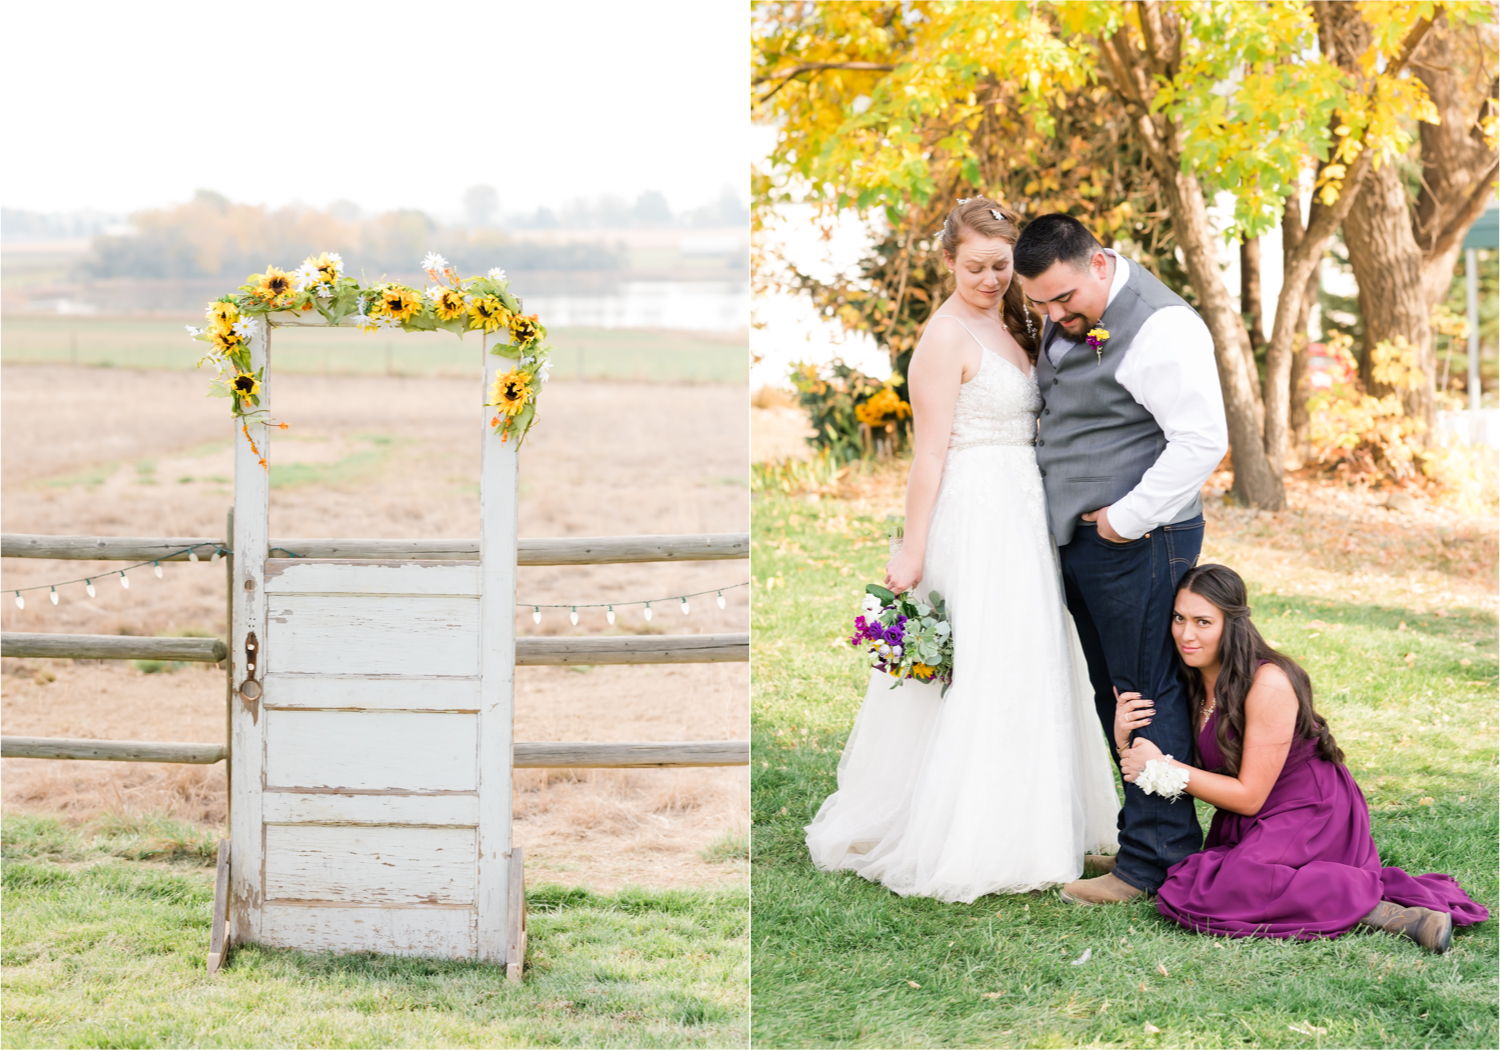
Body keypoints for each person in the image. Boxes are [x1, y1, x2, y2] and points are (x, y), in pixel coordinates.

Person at [804, 199, 1120, 902]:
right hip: (975, 515)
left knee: (1029, 656)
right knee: (982, 665)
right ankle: (975, 832)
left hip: (1025, 511)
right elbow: (928, 457)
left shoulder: (1014, 320)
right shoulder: (943, 339)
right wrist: (911, 550)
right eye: (974, 266)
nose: (988, 278)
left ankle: (1035, 822)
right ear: (947, 260)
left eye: (1000, 266)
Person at [1013, 214, 1229, 905]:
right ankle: (1146, 832)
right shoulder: (1072, 310)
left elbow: (1201, 441)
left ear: (1100, 263)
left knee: (1145, 690)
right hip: (1091, 543)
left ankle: (1152, 862)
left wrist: (1121, 521)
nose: (1053, 315)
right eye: (1039, 304)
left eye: (1063, 298)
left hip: (1140, 540)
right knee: (1118, 691)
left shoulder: (1163, 326)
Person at [1116, 564, 1489, 951]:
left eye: (1203, 622)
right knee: (1192, 880)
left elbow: (1248, 795)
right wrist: (1126, 737)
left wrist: (1165, 769)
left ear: (1233, 624)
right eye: (1179, 618)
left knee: (1218, 887)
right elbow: (1159, 763)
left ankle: (1380, 910)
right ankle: (1354, 902)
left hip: (1312, 811)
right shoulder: (1188, 679)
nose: (1186, 634)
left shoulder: (1269, 683)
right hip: (1253, 817)